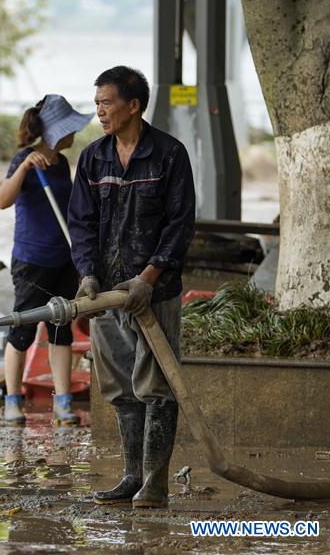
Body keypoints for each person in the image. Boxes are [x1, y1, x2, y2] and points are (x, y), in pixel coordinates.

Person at [68, 66, 195, 508]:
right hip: (106, 297)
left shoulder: (169, 155)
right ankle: (131, 477)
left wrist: (149, 277)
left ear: (133, 105)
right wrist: (87, 275)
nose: (99, 112)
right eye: (97, 102)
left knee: (156, 387)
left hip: (152, 295)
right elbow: (80, 224)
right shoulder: (93, 158)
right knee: (121, 388)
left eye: (106, 103)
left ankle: (155, 483)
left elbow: (179, 226)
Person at [0, 94, 93, 425]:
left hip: (63, 259)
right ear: (54, 131)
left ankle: (63, 404)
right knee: (21, 331)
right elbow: (1, 200)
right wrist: (23, 167)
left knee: (61, 329)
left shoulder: (62, 163)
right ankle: (12, 401)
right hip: (32, 261)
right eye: (70, 129)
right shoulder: (24, 159)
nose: (74, 135)